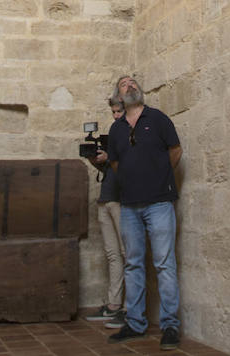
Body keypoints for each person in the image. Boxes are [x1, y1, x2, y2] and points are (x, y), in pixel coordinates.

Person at [102, 76, 182, 351]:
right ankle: (135, 323)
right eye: (124, 84)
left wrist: (158, 177)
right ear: (119, 98)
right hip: (129, 207)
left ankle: (170, 326)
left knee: (164, 264)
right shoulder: (116, 130)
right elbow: (114, 163)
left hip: (160, 203)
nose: (130, 85)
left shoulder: (158, 119)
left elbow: (175, 150)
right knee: (133, 264)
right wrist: (131, 181)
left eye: (134, 82)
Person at [85, 95, 127, 328]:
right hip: (106, 199)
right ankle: (113, 305)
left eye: (119, 111)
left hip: (121, 201)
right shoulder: (112, 137)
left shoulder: (131, 134)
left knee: (127, 253)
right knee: (113, 255)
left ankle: (131, 308)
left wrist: (111, 156)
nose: (115, 116)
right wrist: (96, 160)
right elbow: (109, 168)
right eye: (113, 112)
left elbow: (132, 162)